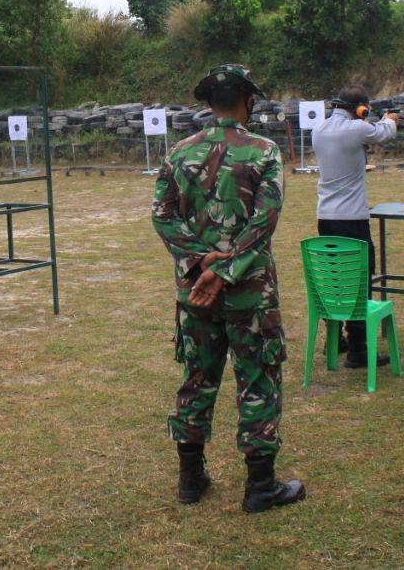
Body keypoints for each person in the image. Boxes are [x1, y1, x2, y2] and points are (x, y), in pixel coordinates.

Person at [152, 64, 305, 514]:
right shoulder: (264, 151)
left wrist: (202, 262)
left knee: (197, 377)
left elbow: (162, 216)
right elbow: (266, 219)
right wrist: (229, 266)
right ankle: (260, 488)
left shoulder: (179, 152)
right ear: (249, 101)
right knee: (257, 378)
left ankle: (190, 478)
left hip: (196, 291)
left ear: (208, 102)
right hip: (250, 294)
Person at [310, 84, 399, 368]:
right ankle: (359, 350)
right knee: (359, 281)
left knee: (335, 279)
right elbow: (385, 133)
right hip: (352, 219)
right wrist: (390, 119)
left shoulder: (319, 130)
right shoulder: (357, 129)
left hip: (326, 216)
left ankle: (336, 338)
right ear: (360, 109)